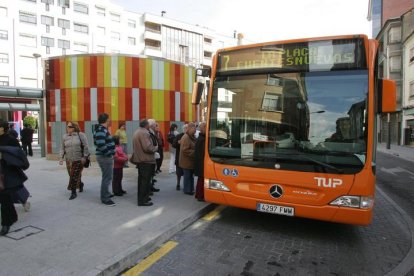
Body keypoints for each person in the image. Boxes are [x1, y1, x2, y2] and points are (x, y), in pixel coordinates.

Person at [0, 120, 29, 236]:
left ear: (2, 128)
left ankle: (6, 223)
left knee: (4, 197)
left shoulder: (11, 140)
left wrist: (3, 155)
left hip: (7, 174)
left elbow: (19, 156)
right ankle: (13, 217)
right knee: (4, 198)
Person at [59, 122, 90, 200]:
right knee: (73, 175)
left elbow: (86, 146)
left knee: (73, 175)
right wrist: (61, 158)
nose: (67, 128)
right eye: (67, 126)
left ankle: (73, 192)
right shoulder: (64, 137)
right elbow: (62, 148)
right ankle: (80, 184)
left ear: (74, 127)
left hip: (79, 159)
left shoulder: (81, 135)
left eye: (69, 126)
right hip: (69, 160)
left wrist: (85, 157)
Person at [130, 119, 158, 206]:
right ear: (147, 125)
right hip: (146, 160)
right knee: (145, 181)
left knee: (142, 180)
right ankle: (143, 200)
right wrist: (156, 148)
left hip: (140, 160)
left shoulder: (137, 132)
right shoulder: (144, 133)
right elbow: (148, 147)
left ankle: (142, 198)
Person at [93, 113, 116, 206]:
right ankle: (105, 198)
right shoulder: (100, 130)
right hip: (104, 157)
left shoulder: (102, 129)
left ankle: (106, 193)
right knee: (107, 177)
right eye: (109, 119)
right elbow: (101, 144)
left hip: (105, 157)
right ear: (106, 120)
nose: (110, 121)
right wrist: (109, 154)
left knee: (107, 177)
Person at [179, 122, 197, 195]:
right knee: (187, 176)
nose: (195, 130)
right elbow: (184, 150)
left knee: (190, 176)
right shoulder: (186, 137)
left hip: (190, 161)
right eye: (194, 128)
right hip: (186, 162)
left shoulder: (191, 136)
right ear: (189, 128)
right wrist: (195, 152)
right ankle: (187, 190)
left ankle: (190, 189)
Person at [172, 124, 187, 191]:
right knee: (179, 173)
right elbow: (174, 144)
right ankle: (178, 184)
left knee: (187, 173)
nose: (187, 129)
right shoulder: (179, 136)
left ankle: (186, 185)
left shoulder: (191, 136)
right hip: (179, 157)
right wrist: (178, 143)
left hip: (187, 158)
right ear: (183, 129)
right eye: (185, 128)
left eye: (187, 128)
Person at [194, 122, 206, 201]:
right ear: (203, 128)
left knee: (200, 180)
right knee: (201, 180)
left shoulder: (200, 138)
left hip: (199, 162)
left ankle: (198, 195)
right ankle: (200, 196)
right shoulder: (202, 139)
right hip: (201, 163)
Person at [148, 119, 160, 192]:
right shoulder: (148, 132)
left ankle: (151, 186)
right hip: (150, 155)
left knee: (152, 172)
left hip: (153, 155)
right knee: (150, 173)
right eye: (155, 124)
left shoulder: (153, 132)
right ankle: (149, 188)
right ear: (151, 125)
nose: (156, 126)